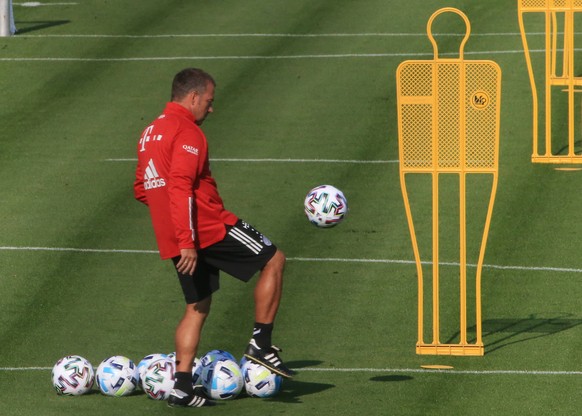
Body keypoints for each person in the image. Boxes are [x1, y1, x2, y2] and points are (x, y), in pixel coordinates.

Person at [133, 68, 294, 408]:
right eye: (208, 101)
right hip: (206, 228)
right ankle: (261, 345)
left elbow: (142, 189)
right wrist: (188, 237)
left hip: (176, 237)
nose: (211, 108)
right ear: (192, 98)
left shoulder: (149, 133)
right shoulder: (187, 131)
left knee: (197, 307)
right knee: (273, 259)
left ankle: (182, 385)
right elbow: (180, 185)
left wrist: (175, 234)